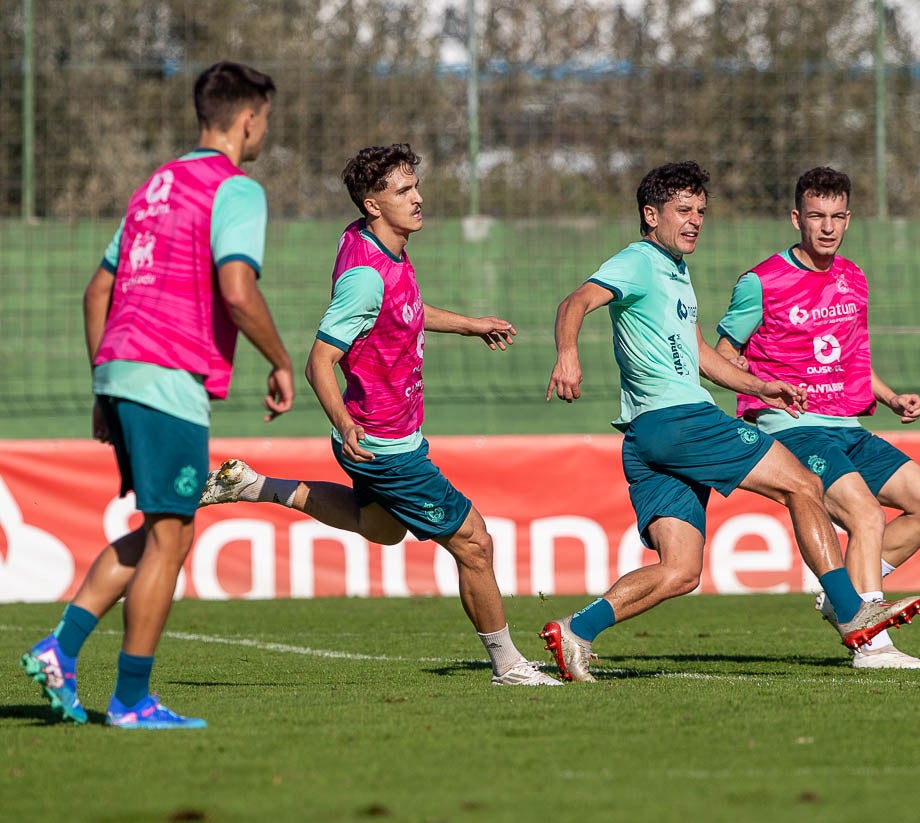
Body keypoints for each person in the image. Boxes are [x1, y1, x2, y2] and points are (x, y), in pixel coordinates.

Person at [541, 161, 920, 682]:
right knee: (804, 484)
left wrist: (761, 385)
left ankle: (575, 631)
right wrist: (567, 354)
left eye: (701, 210)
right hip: (681, 420)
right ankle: (851, 611)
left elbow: (702, 354)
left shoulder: (674, 270)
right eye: (683, 210)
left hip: (646, 438)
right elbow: (576, 300)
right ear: (650, 215)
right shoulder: (638, 260)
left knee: (680, 572)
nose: (695, 219)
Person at [199, 143, 560, 687]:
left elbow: (406, 312)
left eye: (415, 185)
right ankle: (508, 665)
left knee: (381, 529)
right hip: (382, 445)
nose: (418, 199)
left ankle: (255, 486)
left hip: (392, 437)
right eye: (402, 191)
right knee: (474, 543)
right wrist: (347, 425)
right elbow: (320, 360)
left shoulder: (375, 242)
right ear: (373, 205)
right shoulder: (365, 275)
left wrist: (469, 324)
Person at [20, 62, 295, 728]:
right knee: (173, 537)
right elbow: (237, 289)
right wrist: (280, 359)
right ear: (248, 118)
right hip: (167, 373)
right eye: (264, 120)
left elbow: (96, 292)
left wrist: (100, 383)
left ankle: (61, 646)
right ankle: (131, 700)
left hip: (120, 368)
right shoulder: (234, 189)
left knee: (161, 530)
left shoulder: (156, 185)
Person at [714, 166, 920, 669]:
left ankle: (842, 596)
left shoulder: (854, 278)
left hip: (848, 425)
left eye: (837, 217)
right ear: (796, 217)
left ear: (848, 220)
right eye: (817, 216)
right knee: (866, 514)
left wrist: (889, 398)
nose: (827, 226)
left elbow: (849, 364)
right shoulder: (761, 281)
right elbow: (721, 355)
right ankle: (870, 643)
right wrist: (754, 382)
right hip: (792, 428)